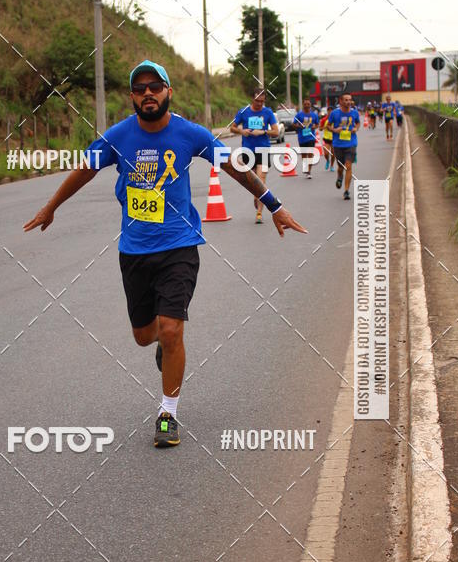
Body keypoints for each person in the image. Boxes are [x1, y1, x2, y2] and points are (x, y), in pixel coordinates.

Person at [24, 60, 306, 448]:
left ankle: (167, 413)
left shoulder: (191, 134)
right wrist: (51, 206)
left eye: (155, 86)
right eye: (139, 89)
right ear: (132, 98)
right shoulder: (118, 137)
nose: (148, 94)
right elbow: (85, 170)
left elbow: (237, 168)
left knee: (173, 329)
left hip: (179, 246)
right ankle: (161, 344)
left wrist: (274, 205)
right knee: (145, 336)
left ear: (168, 91)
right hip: (134, 250)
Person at [230, 88, 279, 223]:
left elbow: (276, 132)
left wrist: (263, 132)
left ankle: (259, 214)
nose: (259, 104)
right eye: (257, 101)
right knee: (253, 182)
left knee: (261, 181)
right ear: (252, 99)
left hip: (263, 149)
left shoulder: (268, 112)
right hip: (247, 151)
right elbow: (232, 128)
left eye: (262, 101)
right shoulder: (244, 111)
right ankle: (256, 196)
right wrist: (242, 131)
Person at [328, 91, 360, 200]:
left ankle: (346, 191)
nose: (348, 102)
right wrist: (334, 130)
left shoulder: (354, 113)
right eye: (346, 100)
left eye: (350, 100)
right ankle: (339, 176)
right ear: (341, 101)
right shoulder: (334, 113)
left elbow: (358, 123)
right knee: (341, 167)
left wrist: (356, 128)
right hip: (338, 144)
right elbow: (327, 126)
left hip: (351, 143)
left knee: (349, 166)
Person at [293, 98, 320, 178]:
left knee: (310, 154)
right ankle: (306, 168)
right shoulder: (299, 115)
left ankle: (309, 171)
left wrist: (315, 126)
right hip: (302, 137)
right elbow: (294, 124)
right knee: (304, 155)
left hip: (311, 137)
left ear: (310, 105)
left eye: (308, 104)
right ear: (303, 105)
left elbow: (317, 124)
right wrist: (299, 126)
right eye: (305, 104)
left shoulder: (314, 115)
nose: (307, 106)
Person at [319, 105, 335, 170]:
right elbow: (320, 128)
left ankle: (332, 166)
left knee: (333, 154)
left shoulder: (336, 119)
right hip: (326, 138)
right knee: (326, 153)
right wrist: (325, 127)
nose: (330, 113)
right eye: (329, 111)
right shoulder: (324, 119)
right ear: (327, 112)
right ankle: (327, 161)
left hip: (334, 139)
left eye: (332, 111)